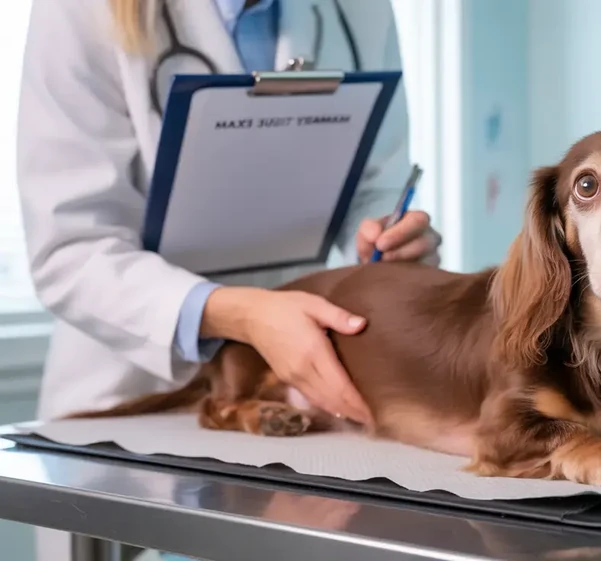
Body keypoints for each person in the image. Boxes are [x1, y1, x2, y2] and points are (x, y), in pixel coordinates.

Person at [16, 1, 439, 560]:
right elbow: (70, 249)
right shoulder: (79, 12)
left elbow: (377, 185)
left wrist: (392, 236)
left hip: (292, 393)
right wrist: (244, 314)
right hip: (130, 387)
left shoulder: (359, 9)